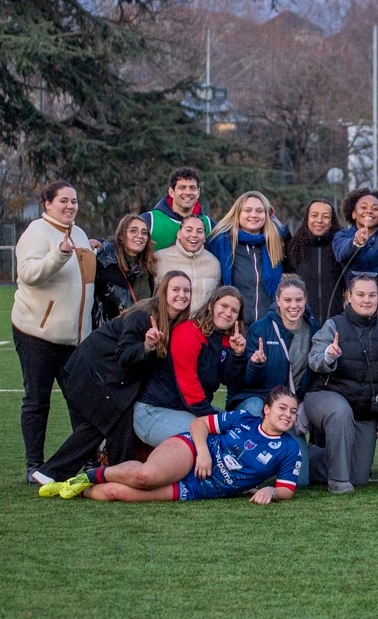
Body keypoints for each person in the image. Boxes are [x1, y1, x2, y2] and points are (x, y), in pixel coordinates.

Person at [31, 271, 193, 485]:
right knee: (107, 420)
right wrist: (146, 346)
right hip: (93, 369)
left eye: (186, 291)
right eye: (176, 289)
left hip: (114, 377)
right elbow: (124, 355)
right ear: (163, 292)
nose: (181, 295)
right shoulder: (143, 316)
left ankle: (117, 471)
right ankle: (53, 472)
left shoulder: (175, 322)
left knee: (116, 421)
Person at [40, 387, 301, 504]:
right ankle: (83, 477)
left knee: (115, 494)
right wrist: (202, 453)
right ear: (266, 409)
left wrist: (271, 492)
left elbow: (286, 490)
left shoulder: (289, 449)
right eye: (282, 408)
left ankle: (80, 490)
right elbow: (199, 424)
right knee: (145, 476)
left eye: (293, 411)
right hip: (191, 453)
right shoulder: (244, 418)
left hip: (199, 488)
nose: (288, 415)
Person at [13, 182, 95, 481]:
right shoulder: (37, 231)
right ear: (47, 203)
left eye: (74, 201)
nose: (70, 206)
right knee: (37, 400)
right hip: (37, 332)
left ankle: (86, 460)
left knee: (81, 402)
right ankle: (33, 465)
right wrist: (59, 254)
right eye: (63, 200)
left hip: (74, 339)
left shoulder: (80, 233)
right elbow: (28, 274)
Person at [304, 275, 378, 493]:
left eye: (372, 295)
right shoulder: (333, 325)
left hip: (363, 409)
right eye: (360, 294)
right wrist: (329, 354)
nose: (366, 300)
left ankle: (305, 457)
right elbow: (314, 359)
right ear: (349, 296)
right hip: (325, 396)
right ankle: (337, 481)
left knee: (359, 476)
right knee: (340, 411)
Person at [132, 286, 248, 447]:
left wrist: (237, 355)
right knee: (214, 439)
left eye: (234, 310)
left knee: (243, 428)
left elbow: (230, 380)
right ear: (211, 305)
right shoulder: (189, 332)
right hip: (155, 410)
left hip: (186, 410)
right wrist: (215, 421)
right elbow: (189, 388)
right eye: (224, 306)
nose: (228, 313)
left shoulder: (225, 339)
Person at [229, 275, 320, 416]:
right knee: (255, 408)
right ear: (278, 300)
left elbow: (313, 374)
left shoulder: (313, 328)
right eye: (287, 300)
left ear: (305, 299)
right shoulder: (259, 328)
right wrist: (255, 364)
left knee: (295, 439)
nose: (294, 305)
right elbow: (244, 380)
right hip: (258, 397)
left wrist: (302, 402)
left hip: (290, 403)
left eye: (299, 300)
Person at [206, 190, 285, 325]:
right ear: (238, 213)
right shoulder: (221, 243)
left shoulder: (276, 243)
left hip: (268, 327)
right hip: (233, 326)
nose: (253, 215)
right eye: (247, 210)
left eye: (259, 211)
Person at [285, 198, 345, 323]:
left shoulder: (340, 248)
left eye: (325, 216)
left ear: (332, 221)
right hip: (302, 324)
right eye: (314, 215)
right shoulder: (293, 248)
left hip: (335, 324)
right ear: (307, 218)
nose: (319, 220)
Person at [94, 213, 157, 324]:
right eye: (133, 231)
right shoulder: (107, 262)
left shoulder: (148, 268)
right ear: (122, 235)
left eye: (144, 233)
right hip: (108, 332)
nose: (140, 236)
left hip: (136, 331)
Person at [155, 214, 220, 312]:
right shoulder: (159, 259)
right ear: (179, 234)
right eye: (189, 230)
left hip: (201, 325)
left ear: (204, 237)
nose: (194, 235)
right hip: (167, 324)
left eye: (199, 231)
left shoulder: (214, 263)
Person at [141, 167, 212, 251]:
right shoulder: (150, 221)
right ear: (171, 192)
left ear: (198, 192)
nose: (188, 192)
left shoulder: (209, 225)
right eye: (182, 187)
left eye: (192, 188)